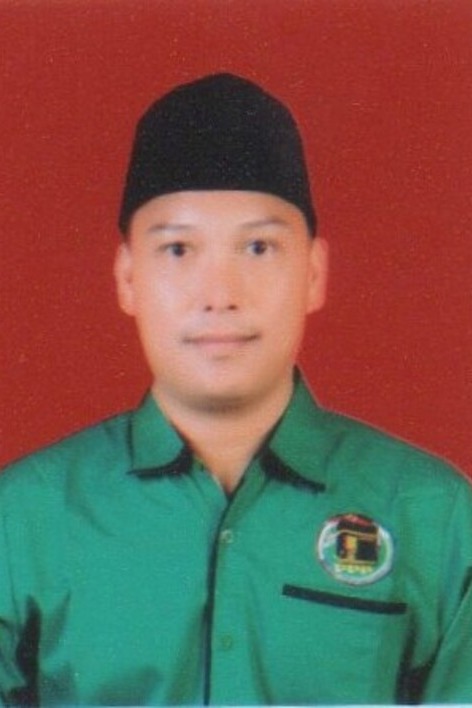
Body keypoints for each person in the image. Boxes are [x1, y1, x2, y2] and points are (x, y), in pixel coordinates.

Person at [1, 73, 471, 706]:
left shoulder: (433, 514)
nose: (220, 294)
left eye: (258, 247)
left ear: (314, 273)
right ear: (127, 278)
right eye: (177, 249)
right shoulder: (23, 518)